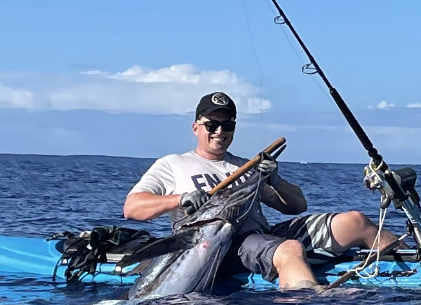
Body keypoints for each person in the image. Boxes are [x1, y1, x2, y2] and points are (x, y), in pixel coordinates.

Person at [123, 91, 398, 290]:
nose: (219, 131)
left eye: (227, 125)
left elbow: (296, 206)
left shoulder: (245, 167)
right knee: (289, 249)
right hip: (220, 246)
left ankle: (416, 269)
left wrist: (274, 180)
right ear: (196, 127)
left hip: (263, 234)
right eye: (211, 125)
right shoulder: (172, 164)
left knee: (356, 221)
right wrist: (179, 200)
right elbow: (132, 208)